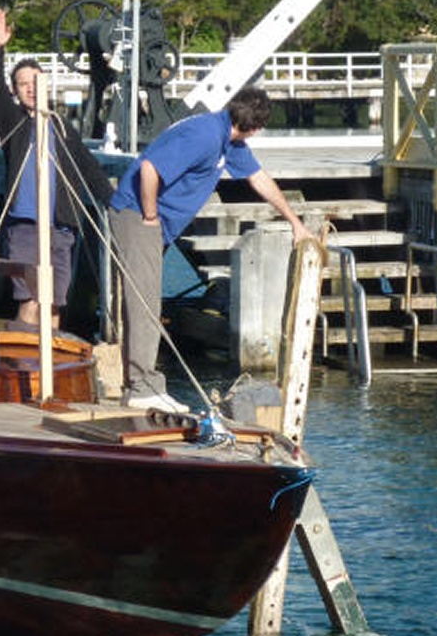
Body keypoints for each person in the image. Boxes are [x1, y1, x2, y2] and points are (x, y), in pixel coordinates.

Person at [109, 86, 313, 414]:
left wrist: (294, 222)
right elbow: (150, 167)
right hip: (136, 215)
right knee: (145, 301)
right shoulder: (205, 134)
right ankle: (142, 387)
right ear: (256, 126)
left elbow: (258, 179)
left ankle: (136, 383)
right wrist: (150, 217)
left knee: (143, 298)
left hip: (150, 222)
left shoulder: (228, 141)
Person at [0, 8, 114, 329]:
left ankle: (50, 374)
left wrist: (118, 204)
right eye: (23, 84)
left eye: (35, 82)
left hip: (61, 229)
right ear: (15, 90)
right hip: (25, 228)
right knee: (30, 302)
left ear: (46, 84)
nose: (30, 88)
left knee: (54, 307)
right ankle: (24, 370)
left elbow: (90, 170)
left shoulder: (62, 127)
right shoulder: (12, 123)